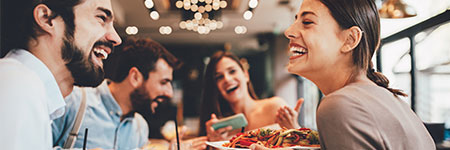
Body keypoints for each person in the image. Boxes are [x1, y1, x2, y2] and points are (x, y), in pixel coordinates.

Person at [251, 0, 435, 149]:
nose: (289, 31)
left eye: (307, 22)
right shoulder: (391, 99)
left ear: (350, 40)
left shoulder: (339, 104)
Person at [0, 0, 121, 149]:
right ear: (47, 19)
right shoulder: (18, 88)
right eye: (101, 18)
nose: (116, 38)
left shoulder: (28, 88)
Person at [52, 38, 206, 150]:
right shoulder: (73, 102)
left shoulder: (140, 127)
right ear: (135, 77)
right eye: (163, 82)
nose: (169, 92)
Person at [199, 51, 300, 141]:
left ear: (246, 75)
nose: (227, 79)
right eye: (219, 77)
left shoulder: (275, 108)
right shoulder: (221, 130)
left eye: (232, 71)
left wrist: (296, 130)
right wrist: (213, 144)